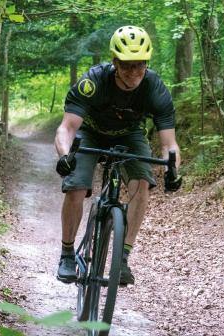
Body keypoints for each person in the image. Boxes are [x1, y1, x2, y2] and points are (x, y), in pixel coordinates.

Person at [54, 25, 182, 285]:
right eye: (127, 65)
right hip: (90, 133)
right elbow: (67, 127)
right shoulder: (94, 81)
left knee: (142, 184)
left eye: (140, 65)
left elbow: (170, 144)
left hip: (129, 135)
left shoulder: (155, 88)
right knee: (76, 187)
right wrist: (65, 155)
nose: (134, 72)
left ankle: (122, 258)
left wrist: (173, 170)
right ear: (115, 62)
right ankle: (67, 254)